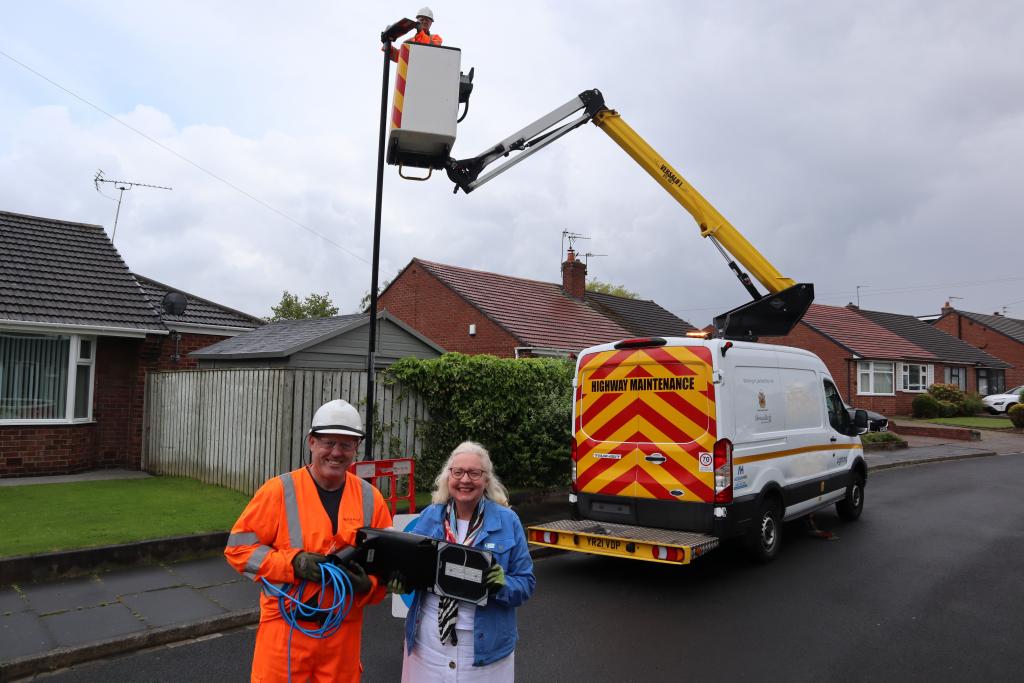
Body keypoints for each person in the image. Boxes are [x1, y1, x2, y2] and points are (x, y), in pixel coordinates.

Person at [224, 399, 393, 682]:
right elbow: (239, 550)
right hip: (285, 633)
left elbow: (385, 564)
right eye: (328, 443)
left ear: (356, 448)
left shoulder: (370, 498)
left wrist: (369, 585)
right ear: (312, 442)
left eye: (346, 445)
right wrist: (293, 563)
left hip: (342, 636)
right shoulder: (278, 491)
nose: (336, 453)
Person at [394, 441, 535, 682]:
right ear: (448, 477)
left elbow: (526, 583)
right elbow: (412, 566)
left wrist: (504, 585)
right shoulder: (430, 516)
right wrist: (402, 580)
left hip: (483, 650)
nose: (465, 480)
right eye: (458, 472)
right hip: (428, 645)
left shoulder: (508, 521)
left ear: (486, 480)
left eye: (474, 473)